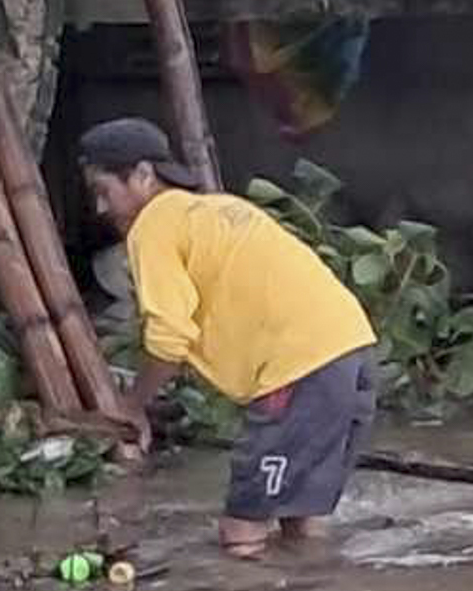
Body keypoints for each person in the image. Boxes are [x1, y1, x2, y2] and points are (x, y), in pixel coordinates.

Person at [75, 119, 382, 558]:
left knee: (241, 534)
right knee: (300, 519)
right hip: (353, 352)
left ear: (143, 176)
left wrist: (133, 408)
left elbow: (168, 340)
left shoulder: (154, 225)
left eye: (104, 191)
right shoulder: (219, 208)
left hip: (299, 369)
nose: (102, 209)